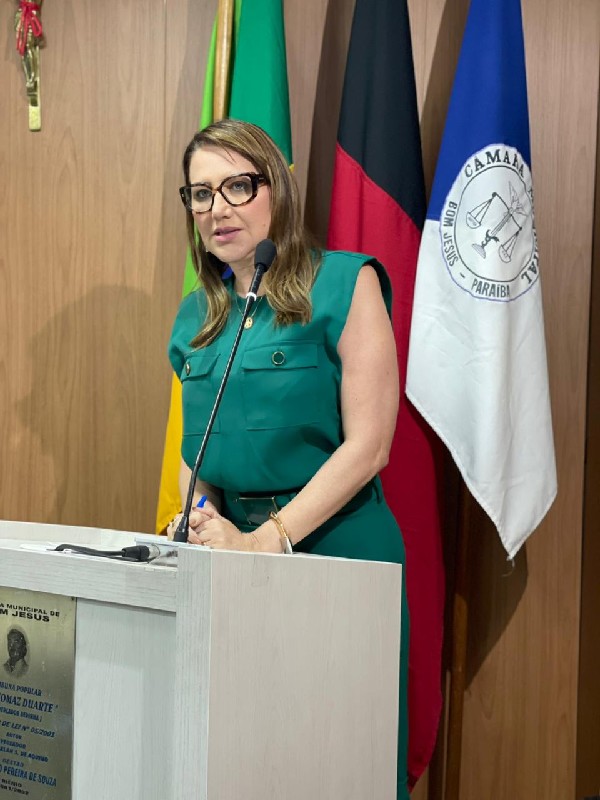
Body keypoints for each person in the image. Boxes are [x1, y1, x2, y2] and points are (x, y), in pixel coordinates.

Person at [167, 118, 409, 799]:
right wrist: (203, 520)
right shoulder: (195, 314)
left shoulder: (345, 282)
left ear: (276, 188)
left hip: (338, 551)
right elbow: (196, 448)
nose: (217, 209)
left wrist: (265, 542)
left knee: (340, 762)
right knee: (245, 760)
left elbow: (370, 445)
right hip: (229, 563)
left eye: (237, 187)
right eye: (200, 194)